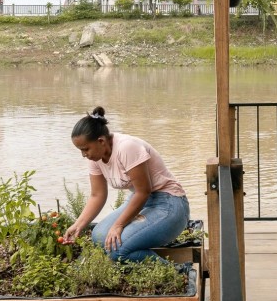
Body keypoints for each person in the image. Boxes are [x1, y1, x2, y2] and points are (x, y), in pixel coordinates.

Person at [65, 106, 189, 262]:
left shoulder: (126, 147)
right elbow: (97, 195)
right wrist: (78, 225)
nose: (84, 155)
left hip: (170, 203)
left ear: (101, 141)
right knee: (98, 237)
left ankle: (176, 274)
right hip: (142, 202)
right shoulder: (95, 157)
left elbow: (143, 191)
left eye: (85, 149)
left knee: (117, 251)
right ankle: (138, 248)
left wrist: (119, 225)